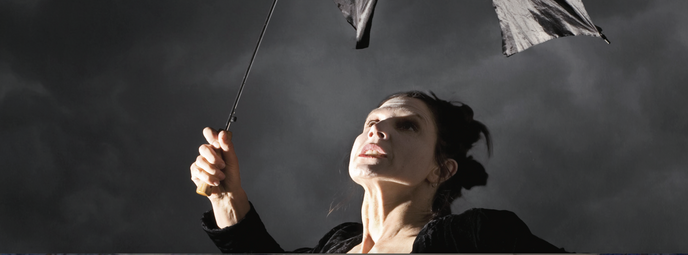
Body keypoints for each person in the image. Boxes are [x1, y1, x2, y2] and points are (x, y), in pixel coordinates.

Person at [190, 91, 565, 253]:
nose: (376, 130)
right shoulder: (337, 243)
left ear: (441, 169)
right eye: (373, 120)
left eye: (408, 126)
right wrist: (225, 195)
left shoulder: (473, 237)